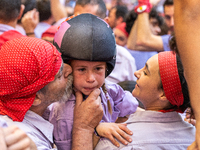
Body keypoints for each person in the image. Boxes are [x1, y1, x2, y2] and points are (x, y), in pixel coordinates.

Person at [49, 13, 139, 150]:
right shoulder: (62, 112)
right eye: (81, 70)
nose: (91, 78)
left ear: (108, 67)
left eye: (98, 69)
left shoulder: (110, 90)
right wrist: (96, 130)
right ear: (67, 69)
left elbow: (131, 105)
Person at [0, 36, 103, 150]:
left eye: (61, 61)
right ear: (36, 98)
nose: (69, 70)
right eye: (59, 75)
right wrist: (84, 129)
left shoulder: (40, 108)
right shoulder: (24, 141)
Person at [95, 51, 195, 149]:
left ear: (163, 94)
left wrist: (88, 129)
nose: (136, 73)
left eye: (146, 72)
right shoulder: (195, 138)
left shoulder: (118, 141)